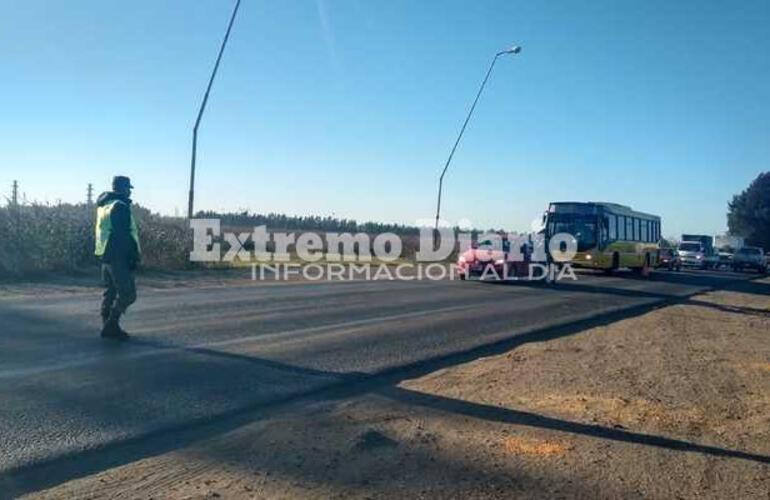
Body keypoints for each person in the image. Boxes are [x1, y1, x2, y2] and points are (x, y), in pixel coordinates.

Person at [94, 176, 141, 340]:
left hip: (105, 255)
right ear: (123, 188)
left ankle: (107, 323)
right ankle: (111, 325)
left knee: (111, 292)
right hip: (118, 257)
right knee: (128, 294)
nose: (129, 192)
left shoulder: (104, 205)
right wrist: (132, 258)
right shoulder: (120, 206)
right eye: (128, 188)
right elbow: (124, 235)